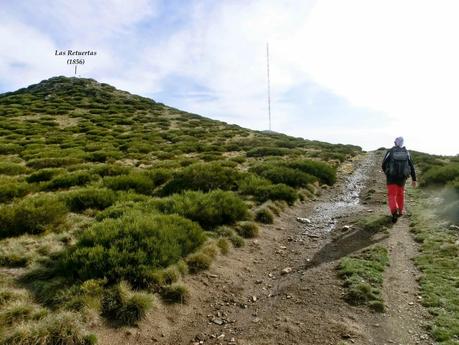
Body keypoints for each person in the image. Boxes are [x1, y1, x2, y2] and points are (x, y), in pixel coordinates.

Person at [381, 137, 417, 223]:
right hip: (402, 178)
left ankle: (394, 212)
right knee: (400, 195)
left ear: (395, 142)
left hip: (391, 178)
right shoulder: (406, 152)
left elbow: (383, 164)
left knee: (392, 195)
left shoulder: (390, 151)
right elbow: (411, 166)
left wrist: (388, 173)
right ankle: (400, 211)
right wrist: (414, 179)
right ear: (402, 143)